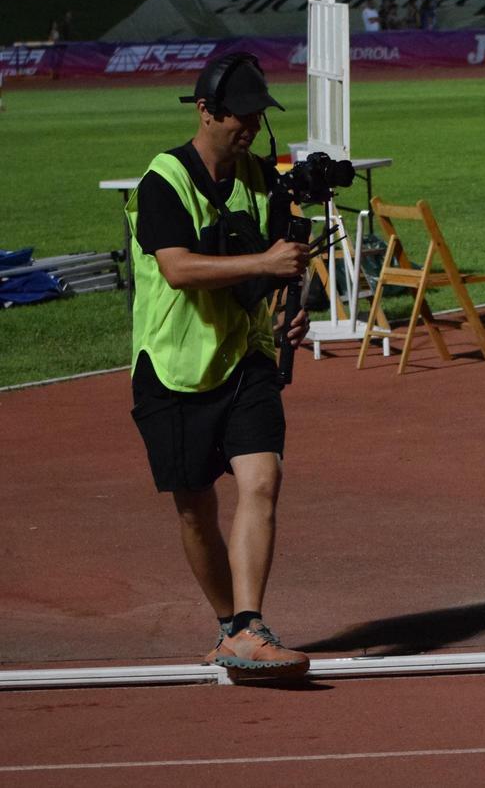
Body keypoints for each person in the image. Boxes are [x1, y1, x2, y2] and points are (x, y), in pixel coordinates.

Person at [126, 53, 311, 681]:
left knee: (263, 479)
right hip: (172, 367)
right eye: (242, 118)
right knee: (195, 510)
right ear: (206, 111)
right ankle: (230, 627)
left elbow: (280, 260)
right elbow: (177, 268)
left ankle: (250, 626)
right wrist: (264, 265)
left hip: (245, 357)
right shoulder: (164, 180)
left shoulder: (261, 178)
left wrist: (291, 309)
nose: (251, 129)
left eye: (258, 119)